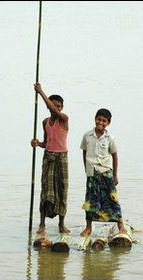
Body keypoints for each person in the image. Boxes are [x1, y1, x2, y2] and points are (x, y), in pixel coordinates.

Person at [80, 108, 126, 236]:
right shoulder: (87, 135)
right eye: (99, 119)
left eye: (104, 120)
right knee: (90, 201)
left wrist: (115, 175)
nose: (101, 122)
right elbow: (84, 152)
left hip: (106, 172)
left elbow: (115, 156)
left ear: (108, 123)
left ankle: (120, 225)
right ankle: (88, 227)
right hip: (91, 173)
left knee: (112, 198)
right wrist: (86, 169)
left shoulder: (109, 138)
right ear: (95, 120)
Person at [31, 83, 70, 235]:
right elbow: (46, 142)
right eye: (54, 106)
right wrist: (37, 144)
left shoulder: (64, 119)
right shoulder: (45, 122)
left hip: (62, 158)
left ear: (62, 107)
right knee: (46, 191)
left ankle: (61, 224)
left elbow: (53, 110)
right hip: (48, 157)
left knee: (62, 190)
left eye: (59, 106)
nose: (56, 108)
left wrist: (41, 92)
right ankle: (42, 224)